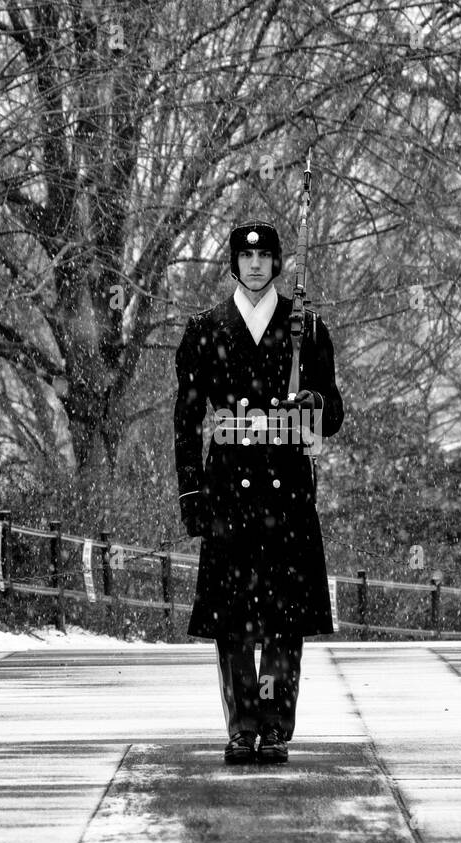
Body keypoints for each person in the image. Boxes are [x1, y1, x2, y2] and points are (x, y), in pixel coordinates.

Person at [173, 219, 344, 764]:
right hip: (229, 491)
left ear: (276, 263)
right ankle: (241, 724)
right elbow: (186, 419)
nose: (254, 265)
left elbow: (333, 414)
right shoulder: (205, 329)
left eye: (264, 256)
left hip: (286, 493)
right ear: (234, 263)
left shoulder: (306, 328)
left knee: (280, 617)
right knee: (234, 619)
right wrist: (191, 493)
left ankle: (274, 725)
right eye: (245, 257)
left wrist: (311, 400)